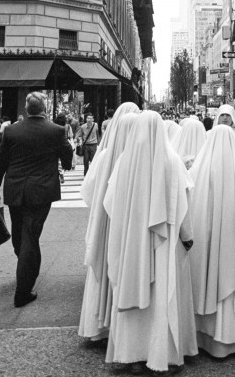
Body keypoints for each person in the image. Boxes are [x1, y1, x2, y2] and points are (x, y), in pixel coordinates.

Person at [103, 111, 198, 371]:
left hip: (130, 241)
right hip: (163, 242)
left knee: (131, 286)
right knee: (161, 296)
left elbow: (109, 203)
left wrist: (129, 225)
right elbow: (183, 207)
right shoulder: (173, 162)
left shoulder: (124, 161)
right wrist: (187, 236)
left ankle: (130, 354)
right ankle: (158, 353)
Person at [0, 92, 72, 307]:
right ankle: (22, 290)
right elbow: (68, 159)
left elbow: (2, 161)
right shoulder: (56, 130)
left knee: (21, 233)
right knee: (30, 236)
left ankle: (25, 265)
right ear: (45, 107)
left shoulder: (12, 130)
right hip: (41, 191)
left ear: (27, 109)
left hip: (15, 189)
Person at [79, 111, 140, 343]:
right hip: (129, 225)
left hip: (105, 221)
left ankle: (99, 324)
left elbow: (88, 191)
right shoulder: (139, 156)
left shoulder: (105, 155)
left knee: (104, 270)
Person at [189, 125, 235, 357]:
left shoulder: (197, 170)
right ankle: (229, 338)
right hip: (232, 241)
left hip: (203, 241)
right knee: (230, 281)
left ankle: (200, 335)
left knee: (204, 279)